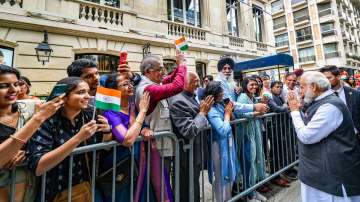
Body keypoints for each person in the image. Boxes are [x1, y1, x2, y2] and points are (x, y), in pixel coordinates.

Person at [27, 77, 111, 202]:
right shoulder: (47, 120)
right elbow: (38, 166)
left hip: (84, 186)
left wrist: (107, 131)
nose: (88, 96)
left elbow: (105, 147)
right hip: (54, 190)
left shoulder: (89, 115)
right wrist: (79, 138)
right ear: (64, 97)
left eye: (88, 92)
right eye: (81, 92)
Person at [287, 71, 360, 202]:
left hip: (331, 176)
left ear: (314, 87)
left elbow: (307, 136)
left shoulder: (329, 106)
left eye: (302, 87)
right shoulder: (323, 102)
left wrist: (294, 112)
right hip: (320, 172)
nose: (301, 91)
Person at [0, 65, 63, 201]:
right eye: (4, 86)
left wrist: (27, 150)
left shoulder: (28, 107)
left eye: (16, 84)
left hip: (29, 189)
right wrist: (38, 118)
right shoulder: (35, 114)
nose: (13, 90)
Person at [98, 73, 150, 201]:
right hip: (119, 166)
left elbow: (139, 126)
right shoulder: (111, 111)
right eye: (125, 84)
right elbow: (127, 140)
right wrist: (143, 111)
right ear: (114, 90)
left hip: (138, 161)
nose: (130, 86)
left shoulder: (133, 106)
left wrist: (145, 128)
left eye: (130, 83)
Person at [169, 72, 214, 202]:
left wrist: (203, 113)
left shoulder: (191, 97)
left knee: (193, 186)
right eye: (194, 81)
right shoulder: (178, 100)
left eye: (198, 80)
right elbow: (188, 130)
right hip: (186, 154)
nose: (198, 84)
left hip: (194, 153)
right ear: (183, 82)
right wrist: (202, 113)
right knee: (186, 189)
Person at [135, 52, 186, 157]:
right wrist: (182, 65)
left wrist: (178, 65)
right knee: (160, 174)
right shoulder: (148, 88)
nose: (163, 72)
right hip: (156, 147)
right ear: (148, 71)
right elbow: (177, 86)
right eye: (160, 69)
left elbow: (171, 79)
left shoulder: (154, 83)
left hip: (162, 144)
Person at [204, 81, 239, 202]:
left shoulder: (220, 104)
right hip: (218, 147)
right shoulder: (211, 110)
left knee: (229, 174)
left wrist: (229, 111)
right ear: (214, 93)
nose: (223, 93)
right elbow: (223, 129)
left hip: (227, 145)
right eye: (221, 91)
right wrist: (227, 114)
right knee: (221, 177)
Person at [236, 77, 267, 202]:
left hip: (253, 133)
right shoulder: (242, 97)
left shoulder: (253, 97)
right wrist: (256, 113)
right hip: (246, 135)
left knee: (254, 162)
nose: (255, 87)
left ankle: (253, 191)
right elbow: (238, 114)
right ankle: (249, 195)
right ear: (245, 85)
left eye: (256, 85)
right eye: (251, 84)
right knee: (248, 164)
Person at [320, 66, 360, 136]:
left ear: (338, 77)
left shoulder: (355, 94)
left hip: (355, 138)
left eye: (328, 78)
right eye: (323, 79)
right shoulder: (320, 97)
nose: (325, 81)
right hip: (335, 141)